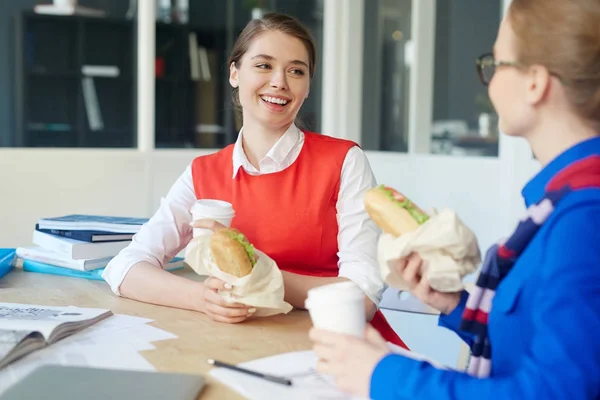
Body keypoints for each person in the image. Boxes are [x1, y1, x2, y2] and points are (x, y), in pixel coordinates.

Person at [309, 0, 600, 398]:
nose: (489, 78)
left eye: (496, 63)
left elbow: (553, 392)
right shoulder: (563, 202)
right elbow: (533, 341)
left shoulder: (584, 219)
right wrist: (454, 304)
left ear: (535, 81)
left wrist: (383, 376)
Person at [102, 12, 407, 348]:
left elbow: (361, 297)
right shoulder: (203, 173)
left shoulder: (344, 161)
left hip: (335, 345)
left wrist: (257, 279)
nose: (279, 81)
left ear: (307, 87)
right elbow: (125, 267)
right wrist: (203, 297)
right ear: (234, 73)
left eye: (296, 71)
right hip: (237, 342)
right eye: (263, 65)